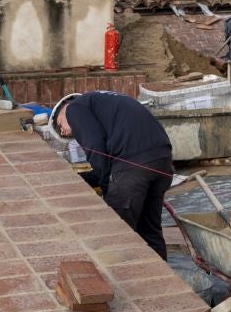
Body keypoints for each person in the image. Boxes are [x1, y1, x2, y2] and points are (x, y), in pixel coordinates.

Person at [53, 90, 174, 258]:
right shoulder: (106, 103)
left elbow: (95, 147)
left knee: (116, 233)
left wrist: (106, 187)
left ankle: (120, 280)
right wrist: (83, 179)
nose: (64, 133)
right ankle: (163, 281)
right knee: (149, 231)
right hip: (162, 160)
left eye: (60, 126)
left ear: (62, 110)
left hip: (134, 165)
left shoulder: (74, 108)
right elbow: (107, 163)